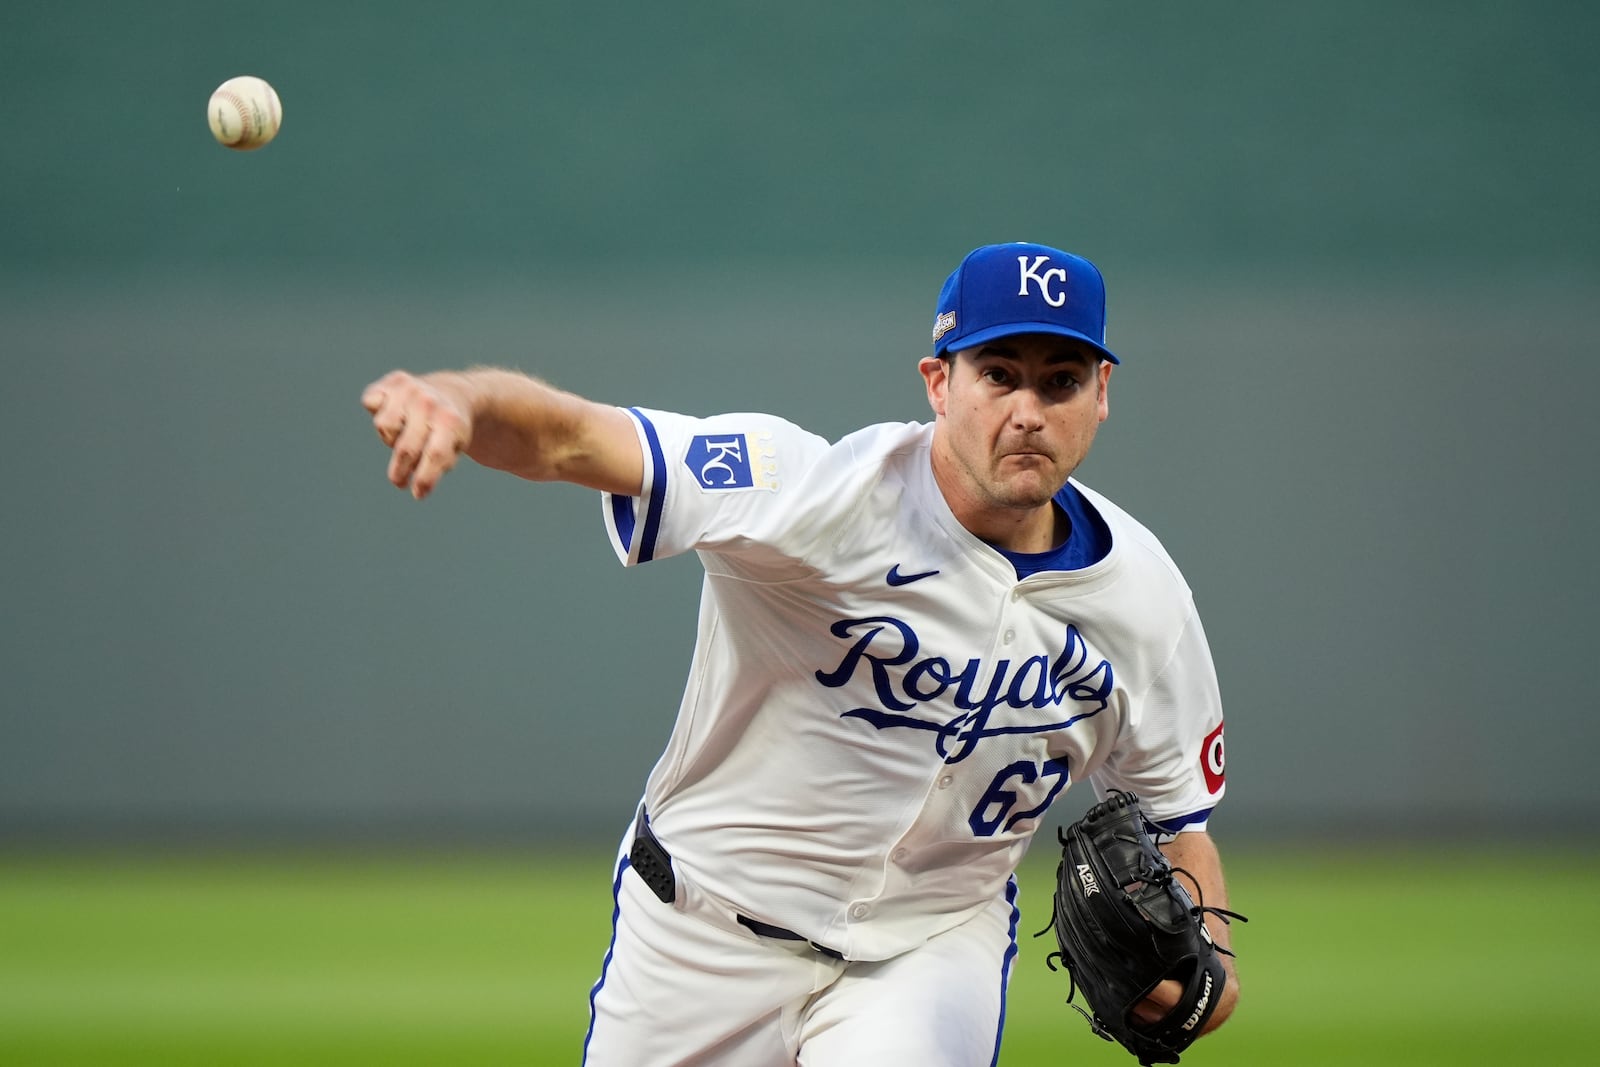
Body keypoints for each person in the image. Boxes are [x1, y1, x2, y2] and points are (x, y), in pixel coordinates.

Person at [361, 242, 1238, 1066]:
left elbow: (1176, 820)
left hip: (925, 953)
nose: (1028, 410)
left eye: (1062, 380)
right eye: (999, 374)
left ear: (1102, 391)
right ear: (939, 382)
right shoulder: (813, 493)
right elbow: (573, 440)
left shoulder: (1144, 600)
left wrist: (1216, 970)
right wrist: (461, 401)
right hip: (700, 934)